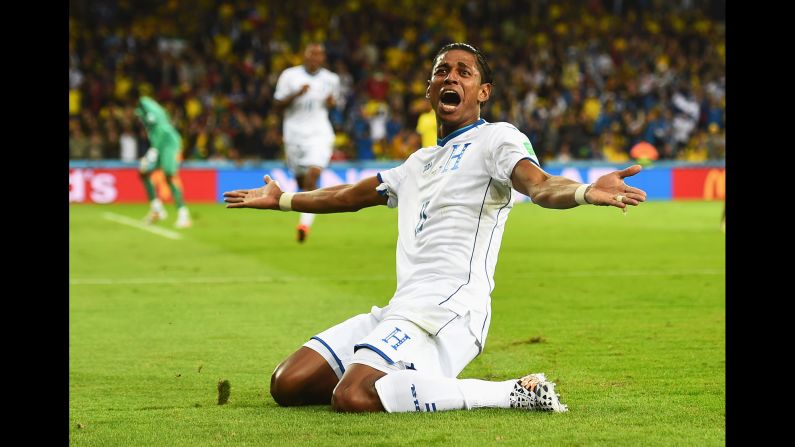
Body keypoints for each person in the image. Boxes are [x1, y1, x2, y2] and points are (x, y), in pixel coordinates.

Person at [224, 43, 647, 414]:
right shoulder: (418, 163)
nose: (452, 77)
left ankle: (511, 391)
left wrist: (587, 190)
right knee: (288, 384)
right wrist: (281, 200)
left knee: (353, 395)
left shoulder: (497, 139)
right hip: (401, 307)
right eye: (442, 71)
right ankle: (396, 380)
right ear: (430, 90)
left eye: (465, 72)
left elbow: (539, 185)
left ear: (483, 93)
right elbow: (347, 196)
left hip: (452, 310)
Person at [273, 42, 341, 243]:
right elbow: (277, 104)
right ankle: (305, 208)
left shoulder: (331, 79)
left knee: (313, 176)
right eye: (311, 54)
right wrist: (295, 95)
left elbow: (334, 104)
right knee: (301, 182)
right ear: (304, 56)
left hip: (319, 133)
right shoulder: (289, 76)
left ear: (323, 59)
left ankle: (304, 224)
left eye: (319, 55)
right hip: (294, 135)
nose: (315, 59)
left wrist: (331, 103)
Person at [135, 95, 192, 229]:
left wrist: (153, 151)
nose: (139, 118)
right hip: (160, 146)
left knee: (169, 175)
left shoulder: (155, 119)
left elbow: (163, 132)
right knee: (144, 172)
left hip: (169, 145)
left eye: (140, 115)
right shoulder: (152, 121)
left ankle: (184, 215)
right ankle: (157, 209)